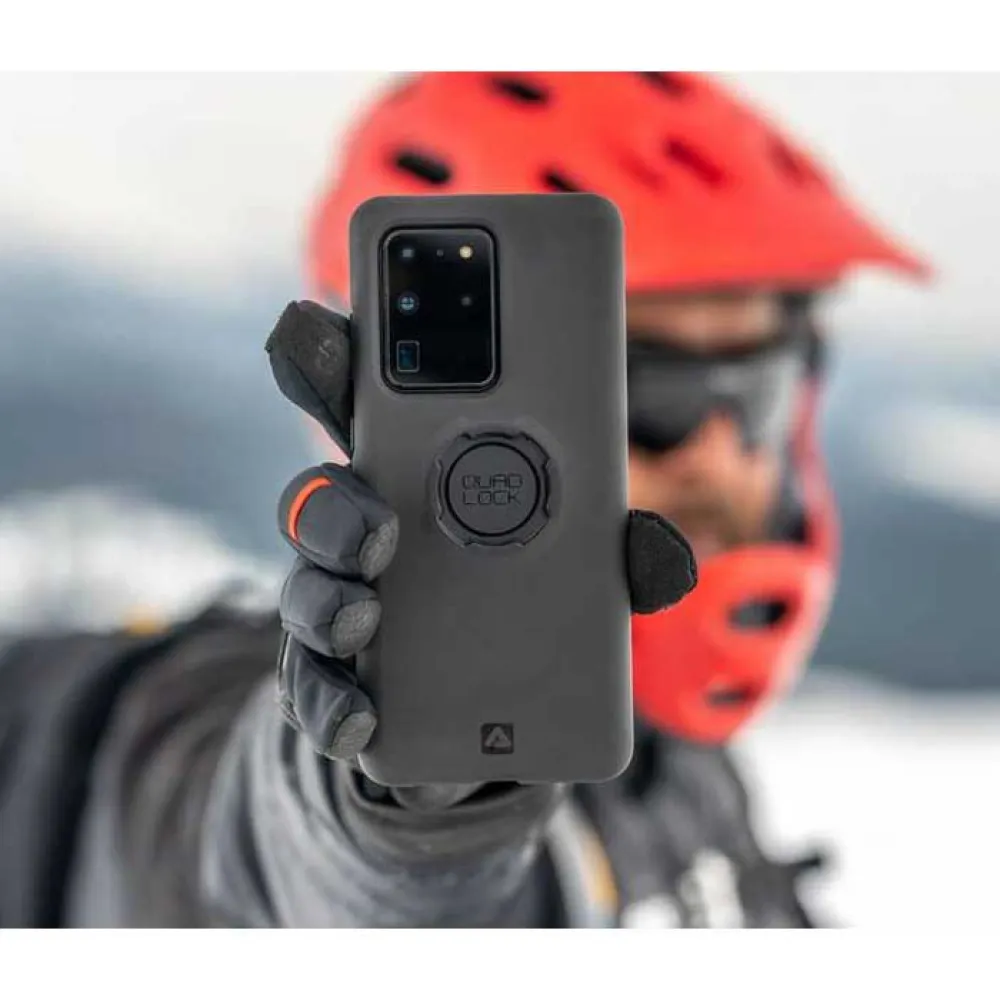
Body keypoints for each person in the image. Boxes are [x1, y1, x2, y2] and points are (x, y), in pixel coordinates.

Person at [0, 72, 926, 928]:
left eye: (758, 390)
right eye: (647, 391)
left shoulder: (687, 776)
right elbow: (246, 855)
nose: (719, 455)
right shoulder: (196, 729)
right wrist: (403, 822)